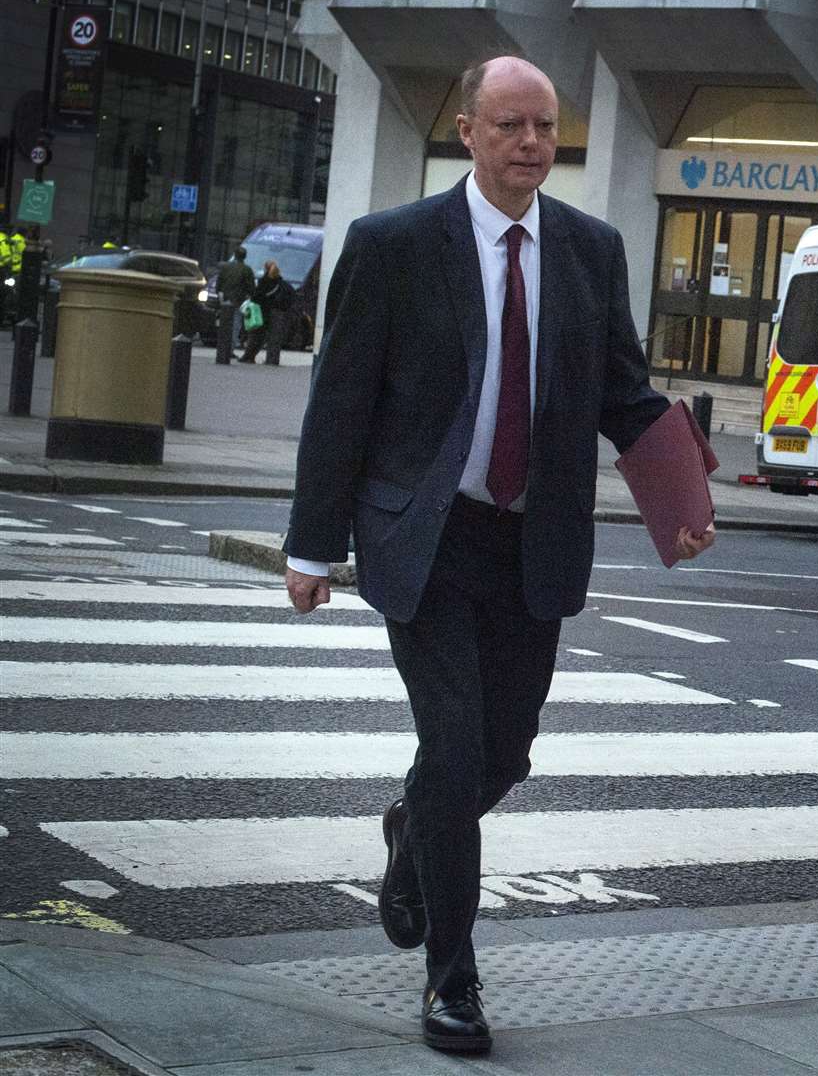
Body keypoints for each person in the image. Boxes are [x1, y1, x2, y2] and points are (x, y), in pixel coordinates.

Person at [282, 55, 715, 1054]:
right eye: (510, 125)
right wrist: (311, 544)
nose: (531, 144)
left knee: (502, 752)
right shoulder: (393, 246)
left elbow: (626, 396)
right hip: (425, 538)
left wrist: (681, 501)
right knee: (456, 740)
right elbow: (340, 402)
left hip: (534, 542)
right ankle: (453, 982)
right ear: (468, 132)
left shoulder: (591, 250)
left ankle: (413, 838)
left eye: (545, 128)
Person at [238, 259, 293, 365]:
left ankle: (248, 356)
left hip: (262, 312)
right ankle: (271, 359)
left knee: (255, 336)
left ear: (266, 269)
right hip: (276, 314)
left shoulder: (264, 281)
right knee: (272, 338)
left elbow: (256, 297)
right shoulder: (281, 283)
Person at [215, 246, 255, 358]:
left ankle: (222, 348)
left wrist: (220, 294)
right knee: (235, 326)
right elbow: (251, 287)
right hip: (239, 301)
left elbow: (219, 283)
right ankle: (229, 349)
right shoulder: (247, 269)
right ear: (245, 256)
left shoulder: (225, 267)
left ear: (235, 254)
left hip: (225, 300)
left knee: (224, 325)